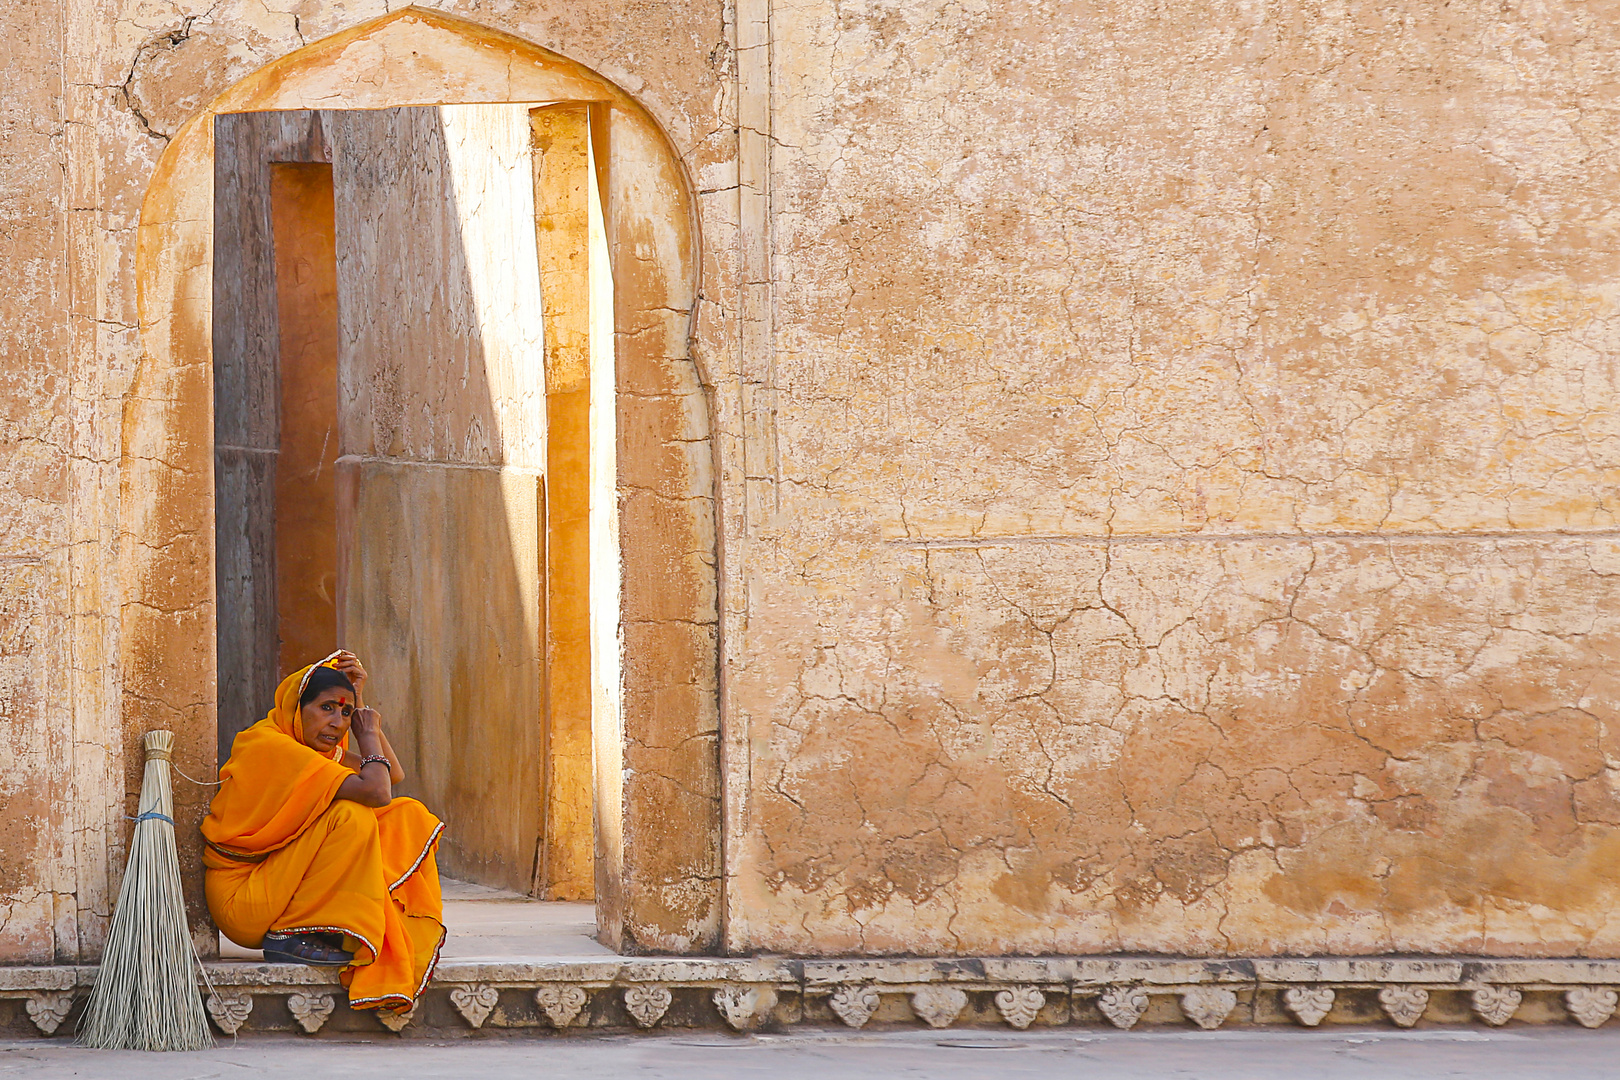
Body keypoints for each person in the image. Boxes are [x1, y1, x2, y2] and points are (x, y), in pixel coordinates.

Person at [201, 650, 445, 1013]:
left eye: (346, 713)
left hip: (276, 885)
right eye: (327, 707)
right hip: (243, 899)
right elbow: (376, 790)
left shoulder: (311, 749)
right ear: (296, 708)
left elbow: (390, 776)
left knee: (406, 813)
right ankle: (291, 934)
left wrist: (362, 709)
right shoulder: (271, 745)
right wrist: (369, 733)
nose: (338, 722)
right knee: (352, 815)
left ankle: (321, 924)